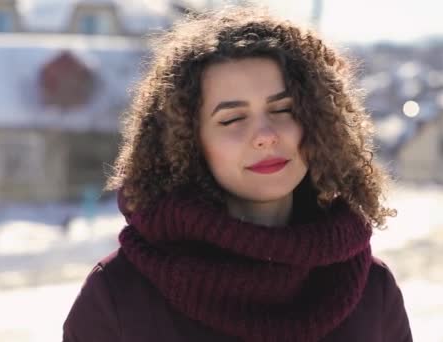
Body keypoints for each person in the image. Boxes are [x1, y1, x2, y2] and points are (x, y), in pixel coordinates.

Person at [62, 5, 412, 342]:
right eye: (232, 119)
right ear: (187, 142)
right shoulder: (118, 296)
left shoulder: (372, 289)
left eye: (284, 109)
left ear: (319, 120)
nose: (265, 136)